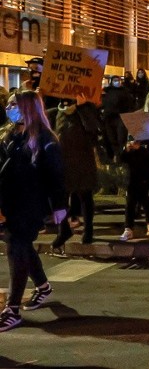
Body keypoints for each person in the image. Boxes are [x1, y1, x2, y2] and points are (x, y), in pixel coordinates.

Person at [0, 91, 67, 332]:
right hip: (9, 203)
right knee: (19, 247)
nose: (9, 108)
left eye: (14, 105)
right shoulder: (9, 134)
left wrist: (60, 206)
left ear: (29, 108)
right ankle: (43, 286)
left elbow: (56, 175)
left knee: (17, 249)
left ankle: (12, 310)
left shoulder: (45, 138)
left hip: (31, 204)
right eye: (8, 105)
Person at [48, 95, 100, 247]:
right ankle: (63, 229)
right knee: (58, 200)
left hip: (83, 160)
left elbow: (93, 128)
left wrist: (83, 107)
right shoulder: (56, 113)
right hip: (62, 162)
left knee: (85, 196)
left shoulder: (86, 109)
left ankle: (88, 230)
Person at [118, 90, 149, 241]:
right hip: (132, 178)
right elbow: (122, 158)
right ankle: (128, 228)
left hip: (145, 177)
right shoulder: (130, 140)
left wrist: (141, 149)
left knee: (146, 202)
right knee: (130, 204)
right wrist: (127, 149)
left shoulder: (148, 141)